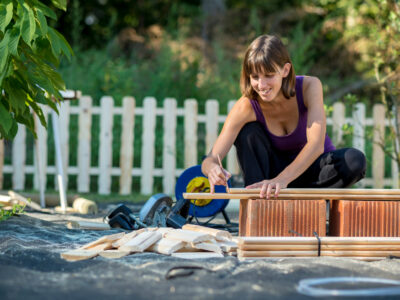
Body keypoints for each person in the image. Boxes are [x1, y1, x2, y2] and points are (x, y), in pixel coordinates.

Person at [201, 34, 366, 199]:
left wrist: (282, 180)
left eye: (269, 75)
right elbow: (210, 159)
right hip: (270, 182)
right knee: (248, 132)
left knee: (354, 160)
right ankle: (260, 203)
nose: (262, 85)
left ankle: (304, 200)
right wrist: (213, 169)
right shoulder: (246, 105)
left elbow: (316, 145)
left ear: (285, 70)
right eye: (255, 77)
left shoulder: (309, 86)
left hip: (312, 175)